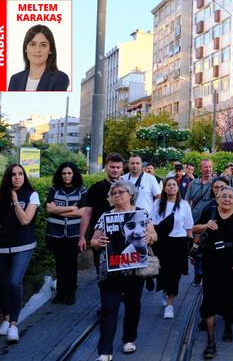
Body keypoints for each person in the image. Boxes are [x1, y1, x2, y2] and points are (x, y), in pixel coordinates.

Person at [90, 180, 157, 361]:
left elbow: (154, 235)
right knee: (109, 308)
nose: (117, 195)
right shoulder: (106, 216)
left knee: (133, 305)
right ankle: (105, 351)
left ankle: (129, 339)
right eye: (114, 193)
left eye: (121, 192)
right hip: (110, 271)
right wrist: (99, 242)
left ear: (131, 195)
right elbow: (93, 241)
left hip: (134, 270)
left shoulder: (141, 214)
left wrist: (149, 236)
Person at [193, 186, 233, 359]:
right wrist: (205, 225)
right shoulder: (210, 212)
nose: (226, 199)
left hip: (232, 262)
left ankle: (227, 327)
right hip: (211, 261)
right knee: (210, 298)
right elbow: (194, 228)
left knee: (229, 296)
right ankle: (211, 343)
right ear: (216, 198)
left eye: (230, 197)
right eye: (223, 196)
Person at [0, 164, 40, 343]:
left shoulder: (31, 195)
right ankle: (5, 319)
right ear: (8, 177)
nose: (17, 178)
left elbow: (25, 220)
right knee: (3, 284)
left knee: (14, 282)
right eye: (13, 175)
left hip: (23, 245)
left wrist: (14, 200)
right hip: (0, 247)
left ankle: (13, 324)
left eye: (20, 174)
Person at [151, 177, 194, 320]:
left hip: (179, 243)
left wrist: (191, 245)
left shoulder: (184, 205)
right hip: (162, 243)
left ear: (178, 188)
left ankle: (170, 305)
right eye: (168, 185)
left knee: (175, 275)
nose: (171, 187)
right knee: (163, 272)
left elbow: (188, 227)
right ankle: (165, 289)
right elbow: (151, 224)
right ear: (164, 188)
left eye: (174, 184)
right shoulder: (157, 204)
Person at [45, 162, 87, 305]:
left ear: (74, 174)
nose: (66, 176)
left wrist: (59, 210)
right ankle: (60, 293)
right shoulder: (54, 189)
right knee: (60, 264)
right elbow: (49, 209)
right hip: (56, 233)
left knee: (71, 263)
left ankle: (71, 292)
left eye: (69, 173)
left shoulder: (81, 190)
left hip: (73, 234)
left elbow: (83, 211)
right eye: (64, 173)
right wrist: (71, 208)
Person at [79, 153, 125, 276]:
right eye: (112, 167)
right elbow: (87, 213)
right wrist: (82, 237)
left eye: (118, 167)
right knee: (102, 273)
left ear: (122, 168)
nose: (115, 170)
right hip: (100, 237)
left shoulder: (129, 188)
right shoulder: (95, 188)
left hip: (123, 236)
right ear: (106, 166)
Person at [8, 24, 69, 91]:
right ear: (26, 48)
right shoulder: (15, 80)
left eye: (43, 45)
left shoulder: (60, 78)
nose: (37, 50)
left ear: (50, 50)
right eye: (32, 44)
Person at [185, 159, 215, 286]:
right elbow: (187, 200)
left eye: (210, 167)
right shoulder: (194, 183)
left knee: (211, 247)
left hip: (212, 219)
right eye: (205, 167)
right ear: (200, 169)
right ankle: (198, 274)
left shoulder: (215, 183)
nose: (208, 169)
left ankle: (209, 273)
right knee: (197, 247)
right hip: (196, 219)